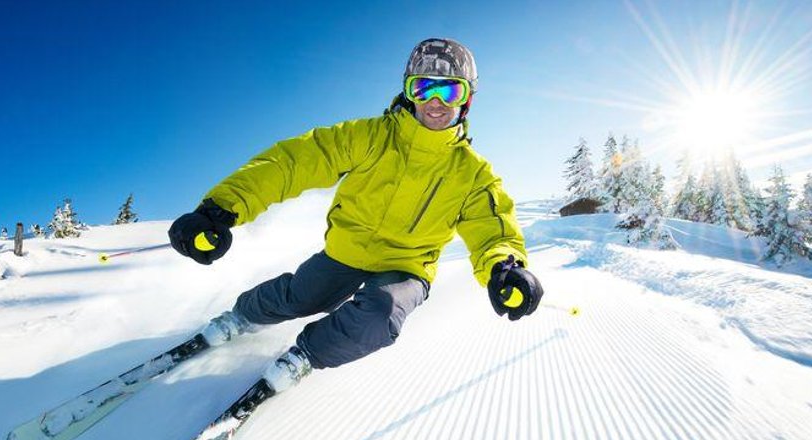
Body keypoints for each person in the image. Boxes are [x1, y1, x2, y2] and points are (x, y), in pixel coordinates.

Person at [168, 38, 544, 393]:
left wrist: (504, 268)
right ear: (408, 90)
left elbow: (493, 230)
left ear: (467, 101)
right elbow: (292, 163)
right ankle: (241, 318)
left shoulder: (474, 174)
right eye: (423, 87)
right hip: (347, 251)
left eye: (450, 90)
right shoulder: (369, 137)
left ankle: (307, 355)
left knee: (381, 315)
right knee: (300, 296)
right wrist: (221, 208)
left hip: (407, 265)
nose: (434, 101)